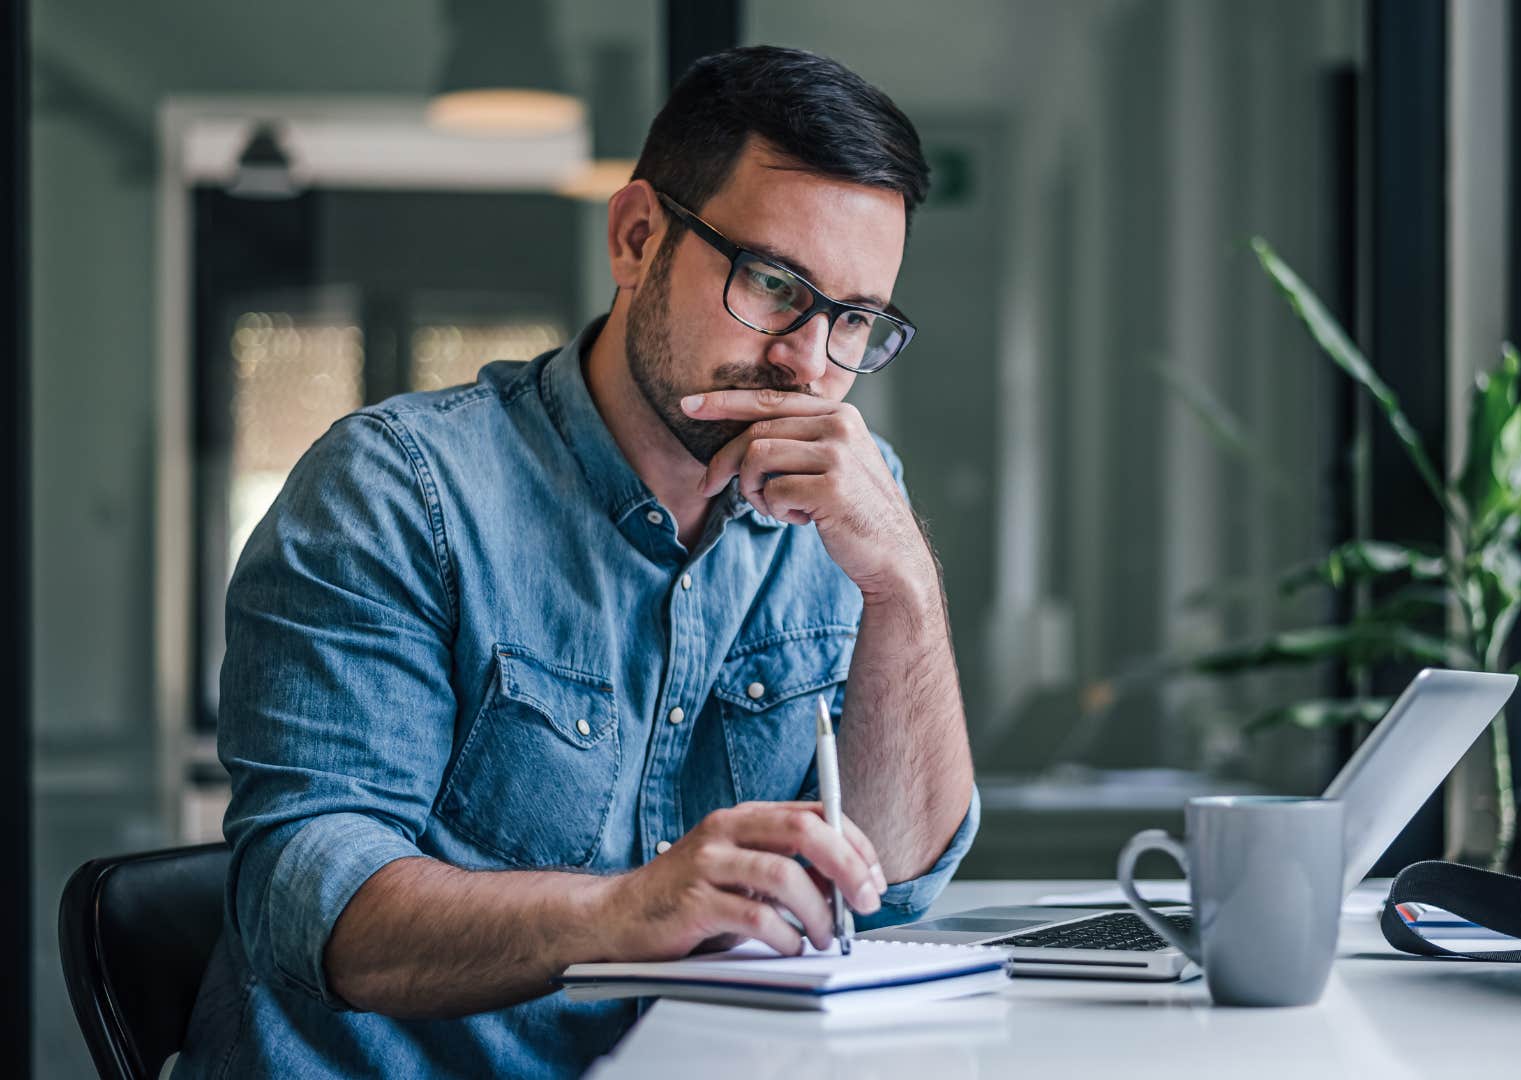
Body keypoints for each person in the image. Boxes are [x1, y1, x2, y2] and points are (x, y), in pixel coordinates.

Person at [177, 45, 977, 1077]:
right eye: (775, 284)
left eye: (854, 318)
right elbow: (315, 901)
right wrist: (626, 911)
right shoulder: (393, 491)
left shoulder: (855, 504)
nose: (808, 363)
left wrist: (903, 585)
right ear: (638, 236)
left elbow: (898, 884)